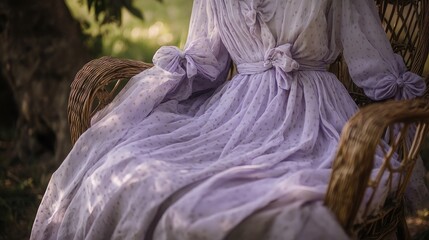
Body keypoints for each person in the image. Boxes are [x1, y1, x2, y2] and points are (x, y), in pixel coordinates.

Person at [31, 0, 427, 239]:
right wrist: (161, 85)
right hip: (236, 111)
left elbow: (369, 56)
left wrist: (394, 97)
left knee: (291, 197)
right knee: (133, 168)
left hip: (312, 111)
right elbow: (205, 60)